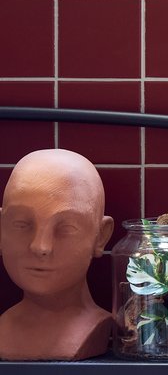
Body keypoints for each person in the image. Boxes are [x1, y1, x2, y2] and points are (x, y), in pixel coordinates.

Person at [0, 149, 113, 360]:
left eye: (66, 228)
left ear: (101, 236)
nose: (40, 246)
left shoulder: (98, 329)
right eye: (22, 224)